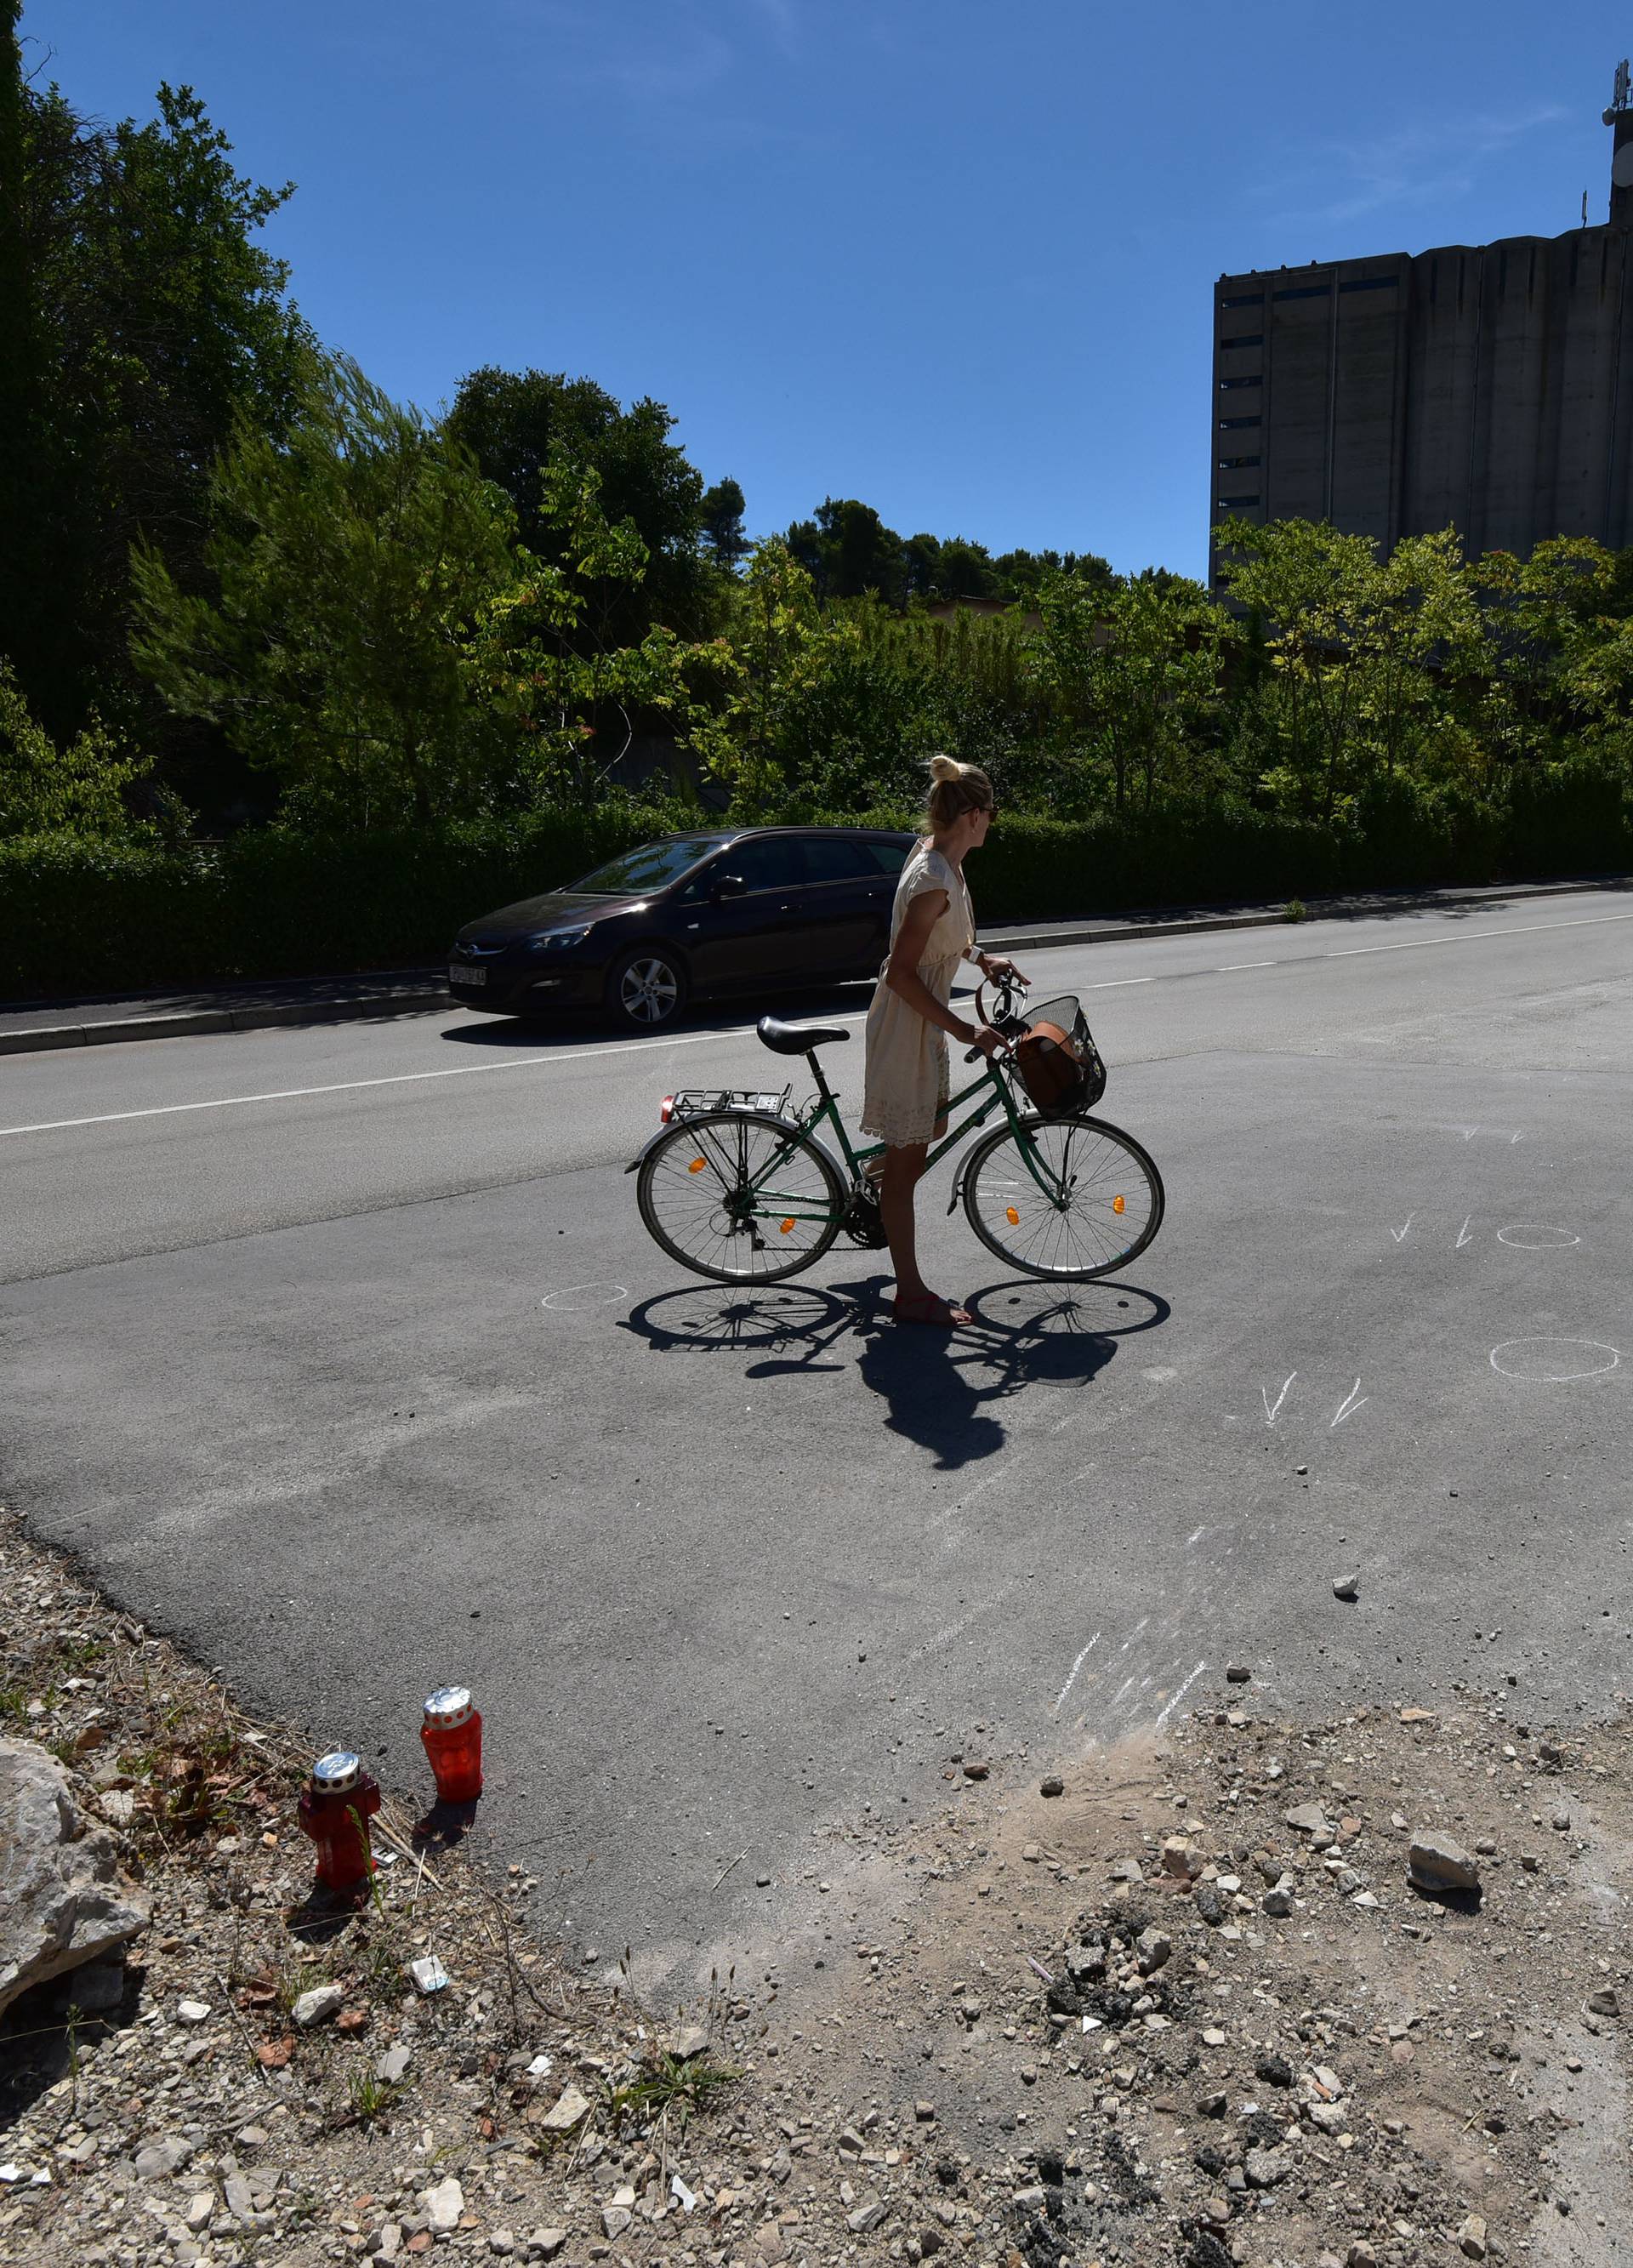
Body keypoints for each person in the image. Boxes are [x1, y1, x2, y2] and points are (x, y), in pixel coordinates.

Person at [860, 755, 1027, 1327]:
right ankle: (909, 1295)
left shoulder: (944, 861)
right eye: (992, 813)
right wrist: (965, 1028)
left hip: (923, 1019)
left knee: (925, 1132)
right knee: (908, 1168)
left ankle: (874, 1185)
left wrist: (982, 958)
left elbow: (942, 941)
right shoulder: (932, 877)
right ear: (974, 815)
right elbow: (903, 974)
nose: (993, 823)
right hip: (909, 1022)